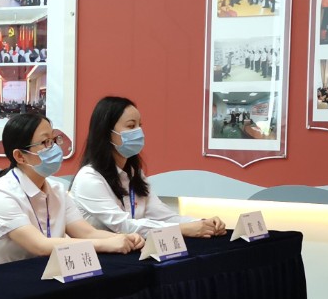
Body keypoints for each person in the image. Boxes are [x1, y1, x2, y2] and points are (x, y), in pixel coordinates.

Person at [0, 113, 144, 267]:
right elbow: (40, 245)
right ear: (20, 156)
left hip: (36, 272)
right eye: (45, 142)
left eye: (53, 140)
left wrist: (125, 238)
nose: (54, 148)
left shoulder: (57, 191)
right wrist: (107, 244)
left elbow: (87, 232)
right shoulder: (2, 195)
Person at [71, 96, 226, 240]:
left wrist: (202, 223)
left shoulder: (134, 174)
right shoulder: (89, 178)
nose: (138, 132)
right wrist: (182, 229)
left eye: (140, 126)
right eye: (131, 126)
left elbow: (164, 216)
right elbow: (124, 226)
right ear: (106, 132)